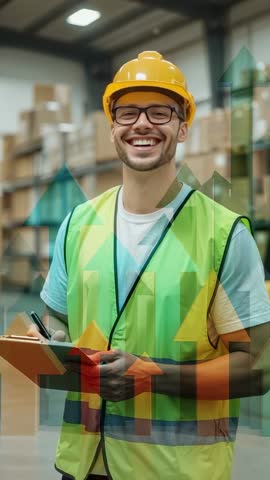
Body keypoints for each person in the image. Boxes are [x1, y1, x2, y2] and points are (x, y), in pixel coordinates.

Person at [33, 51, 270, 480]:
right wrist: (46, 342)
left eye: (160, 112)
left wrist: (151, 375)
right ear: (112, 128)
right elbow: (59, 322)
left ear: (182, 128)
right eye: (128, 112)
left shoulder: (223, 234)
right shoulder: (78, 225)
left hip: (175, 470)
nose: (142, 123)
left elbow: (255, 368)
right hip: (83, 462)